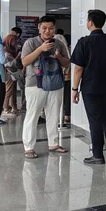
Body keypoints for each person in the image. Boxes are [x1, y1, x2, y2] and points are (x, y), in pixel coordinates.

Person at [71, 10, 106, 165]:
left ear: (90, 23)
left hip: (90, 88)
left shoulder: (83, 42)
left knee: (95, 120)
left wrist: (74, 89)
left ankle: (97, 155)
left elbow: (78, 69)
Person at [21, 16, 70, 158]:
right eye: (44, 28)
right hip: (35, 84)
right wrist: (40, 49)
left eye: (51, 28)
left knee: (53, 114)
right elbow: (25, 62)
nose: (48, 31)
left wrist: (59, 57)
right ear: (39, 27)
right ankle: (29, 147)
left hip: (55, 83)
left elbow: (67, 63)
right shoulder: (31, 42)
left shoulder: (59, 43)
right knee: (33, 115)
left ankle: (54, 143)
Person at [54, 33, 71, 124]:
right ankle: (67, 115)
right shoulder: (68, 51)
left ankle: (57, 116)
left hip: (56, 78)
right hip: (67, 77)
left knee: (57, 97)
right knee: (67, 97)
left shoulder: (54, 51)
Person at [2, 34, 22, 115]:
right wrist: (18, 56)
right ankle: (6, 108)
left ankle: (14, 107)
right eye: (13, 41)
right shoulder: (5, 51)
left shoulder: (12, 50)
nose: (15, 43)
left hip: (14, 72)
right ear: (9, 41)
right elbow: (9, 64)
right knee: (9, 91)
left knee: (13, 91)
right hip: (9, 72)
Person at [11, 26, 26, 111]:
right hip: (13, 67)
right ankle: (13, 106)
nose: (11, 35)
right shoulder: (10, 42)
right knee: (12, 87)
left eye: (13, 33)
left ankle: (23, 105)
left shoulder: (20, 43)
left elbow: (23, 56)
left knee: (22, 86)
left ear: (18, 34)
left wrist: (24, 68)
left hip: (19, 67)